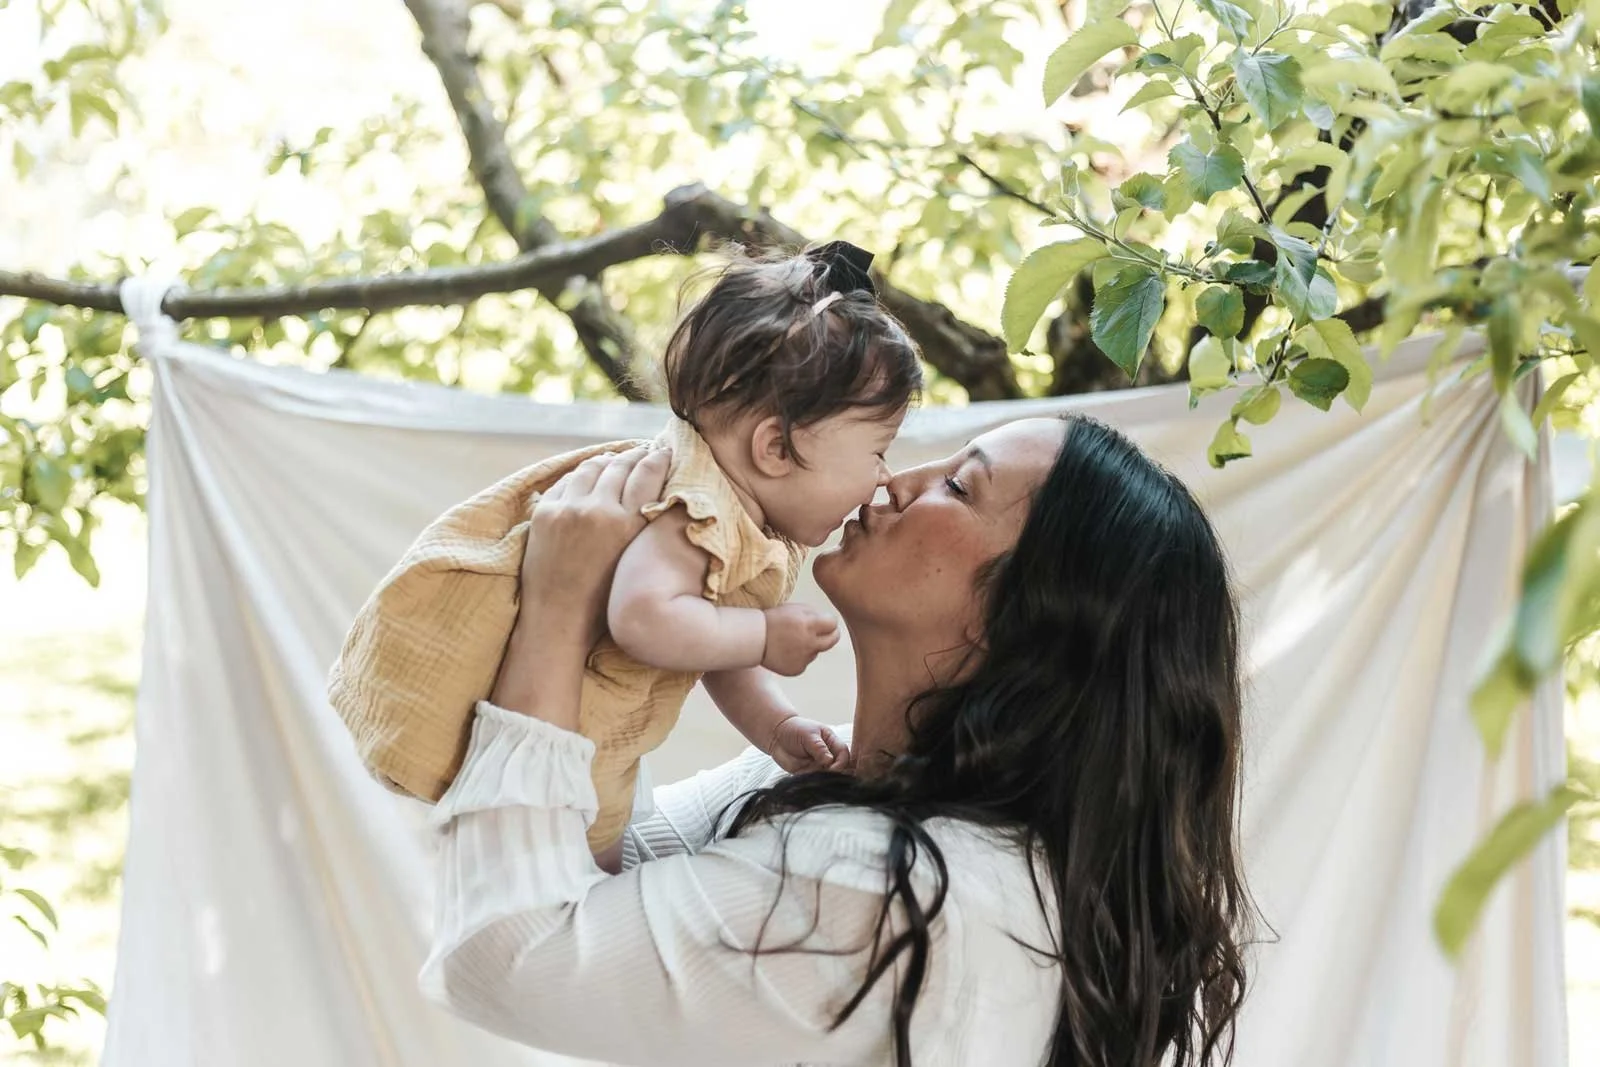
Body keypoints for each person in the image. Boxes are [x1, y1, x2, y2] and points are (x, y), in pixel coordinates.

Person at [419, 415, 1252, 1067]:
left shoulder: (887, 885)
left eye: (959, 487)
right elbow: (589, 855)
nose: (895, 481)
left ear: (1031, 619)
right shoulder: (836, 789)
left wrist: (558, 607)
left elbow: (504, 952)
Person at [329, 242, 921, 858]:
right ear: (775, 450)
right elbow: (646, 618)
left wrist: (775, 726)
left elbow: (707, 637)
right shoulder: (697, 505)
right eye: (877, 453)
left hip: (564, 742)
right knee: (577, 869)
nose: (882, 477)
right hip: (535, 741)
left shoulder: (733, 513)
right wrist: (764, 634)